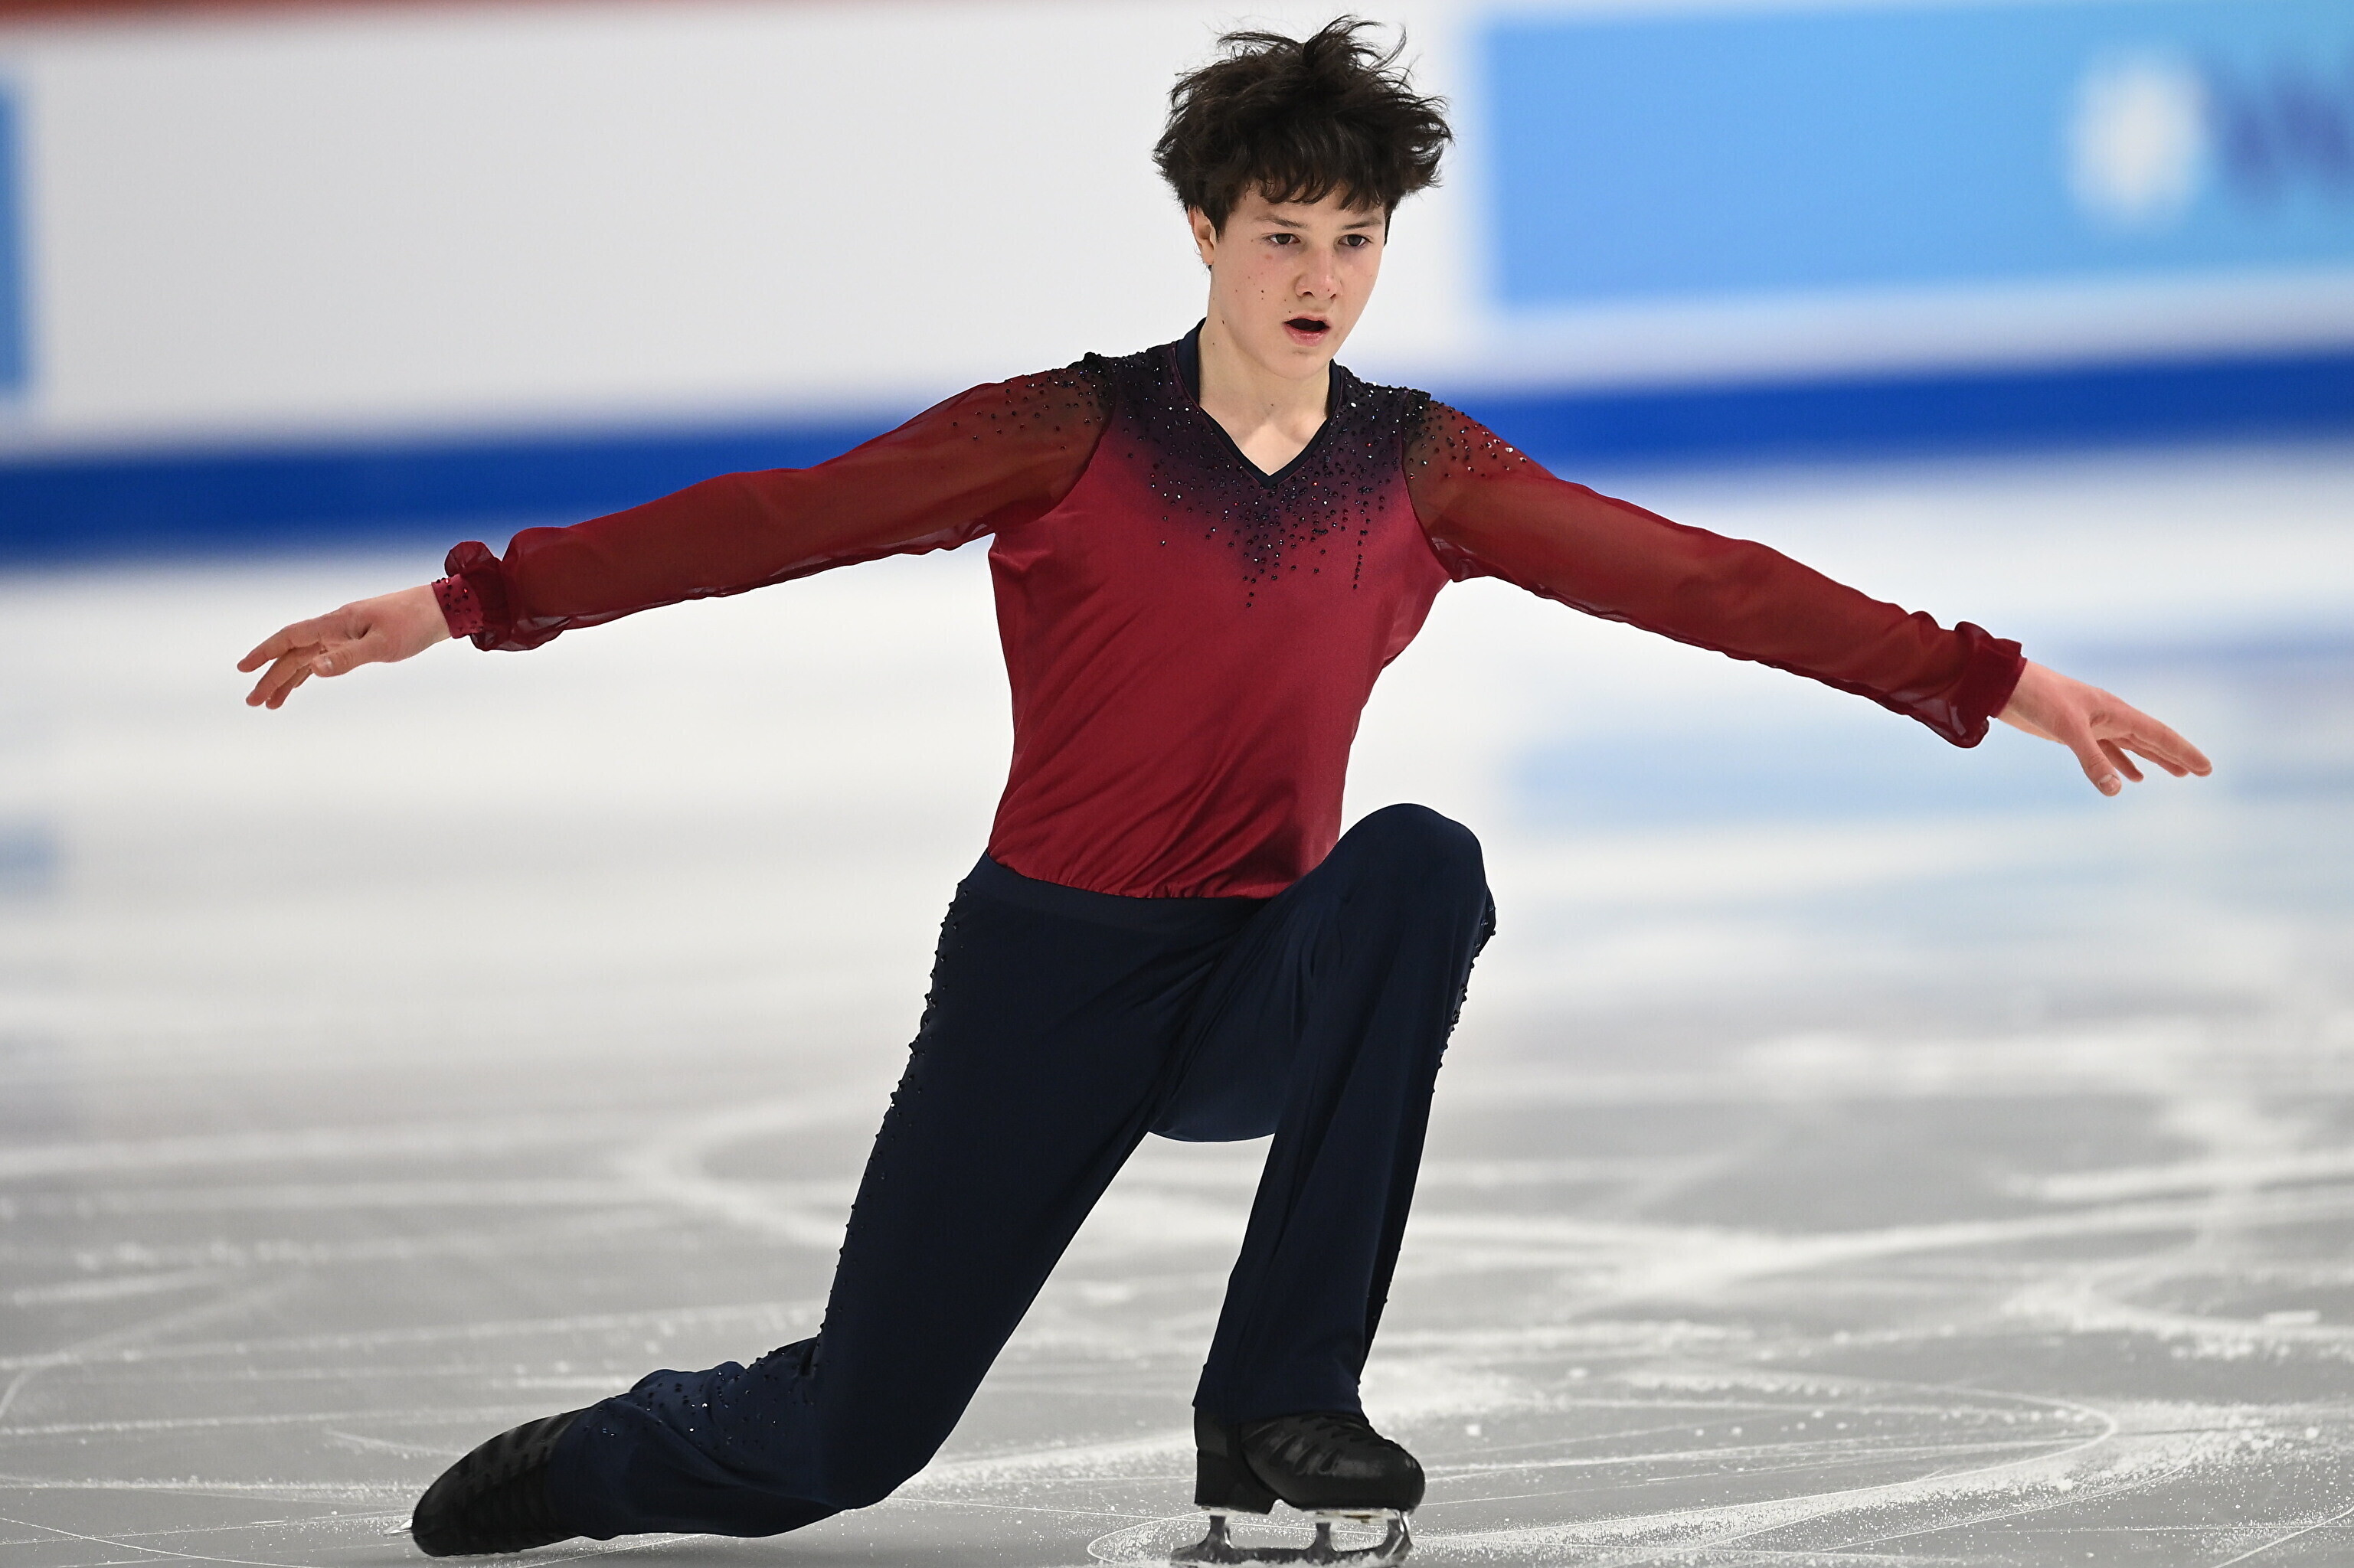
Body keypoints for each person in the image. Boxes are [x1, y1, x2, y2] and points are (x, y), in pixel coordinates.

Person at [238, 18, 2209, 1561]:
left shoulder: (1420, 467)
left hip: (1262, 968)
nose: (1321, 275)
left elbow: (1700, 579)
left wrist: (1989, 679)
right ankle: (610, 1452)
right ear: (1202, 229)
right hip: (1044, 979)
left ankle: (1277, 1402)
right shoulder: (1063, 431)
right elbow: (777, 519)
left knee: (1419, 863)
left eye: (1355, 240)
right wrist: (472, 600)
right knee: (846, 1441)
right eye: (1283, 234)